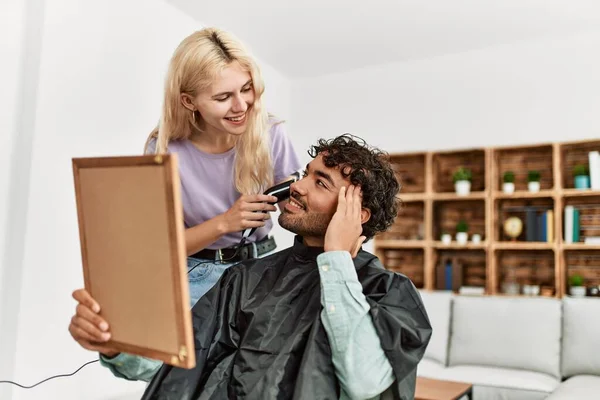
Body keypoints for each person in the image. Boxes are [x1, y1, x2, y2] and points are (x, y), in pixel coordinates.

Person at [67, 27, 301, 381]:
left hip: (261, 262)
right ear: (189, 101)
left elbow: (295, 205)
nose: (241, 106)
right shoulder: (163, 151)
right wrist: (226, 222)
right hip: (196, 270)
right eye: (223, 97)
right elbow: (160, 249)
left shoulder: (270, 132)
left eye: (246, 88)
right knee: (161, 366)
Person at [140, 134, 433, 399]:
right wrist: (116, 346)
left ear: (357, 215)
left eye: (320, 182)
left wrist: (336, 259)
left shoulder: (389, 292)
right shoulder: (244, 278)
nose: (296, 186)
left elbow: (365, 383)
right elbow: (182, 362)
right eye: (306, 173)